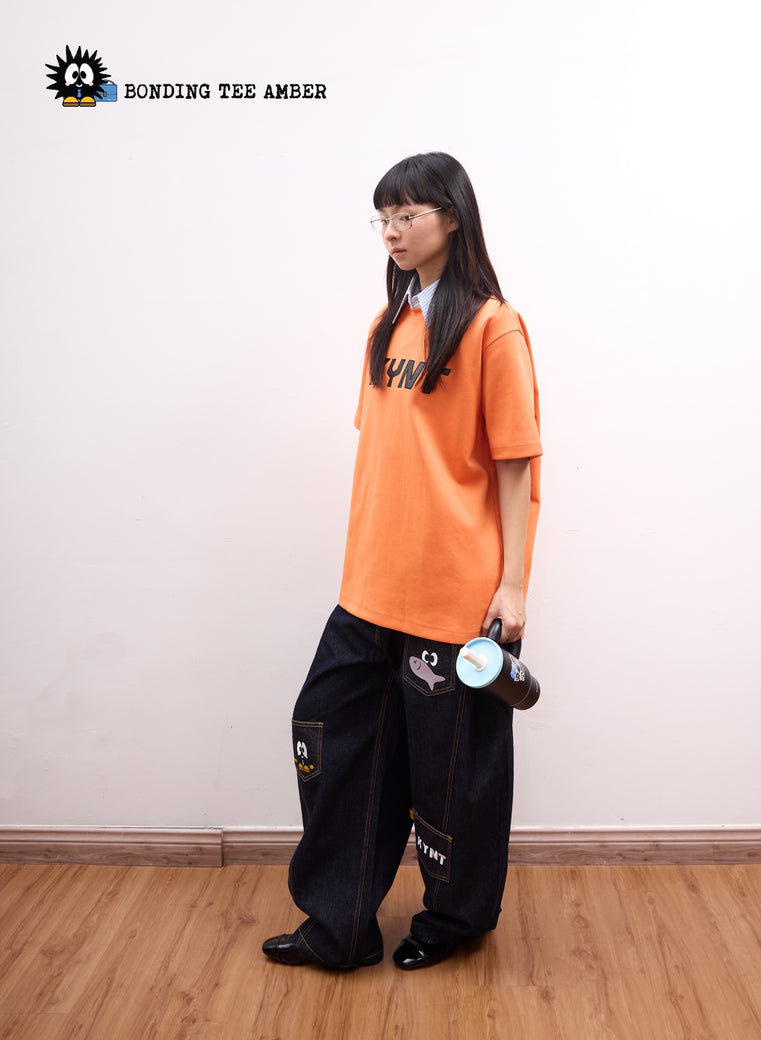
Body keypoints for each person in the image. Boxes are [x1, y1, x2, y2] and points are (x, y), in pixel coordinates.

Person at [262, 152, 542, 971]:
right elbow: (390, 457)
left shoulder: (493, 326)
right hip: (369, 589)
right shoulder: (386, 327)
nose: (391, 231)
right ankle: (339, 926)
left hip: (456, 598)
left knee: (453, 776)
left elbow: (516, 465)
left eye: (407, 215)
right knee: (336, 747)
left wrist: (514, 586)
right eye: (383, 218)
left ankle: (452, 921)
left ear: (451, 216)